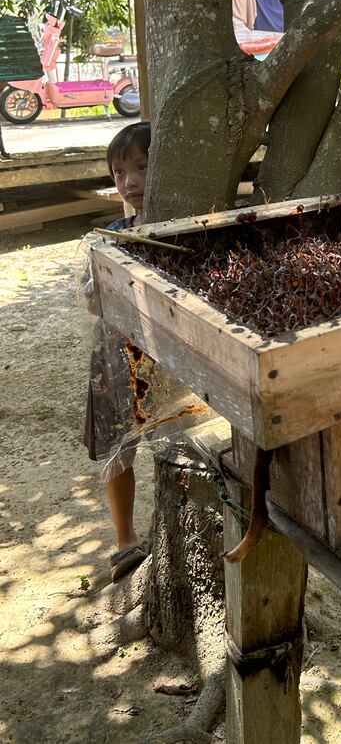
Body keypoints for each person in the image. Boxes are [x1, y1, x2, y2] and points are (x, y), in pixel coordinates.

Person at [82, 121, 151, 582]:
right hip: (115, 354)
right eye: (119, 172)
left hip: (164, 360)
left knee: (178, 446)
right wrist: (95, 276)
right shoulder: (110, 234)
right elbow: (91, 301)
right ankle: (125, 539)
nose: (130, 182)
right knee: (117, 448)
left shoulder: (180, 222)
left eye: (142, 167)